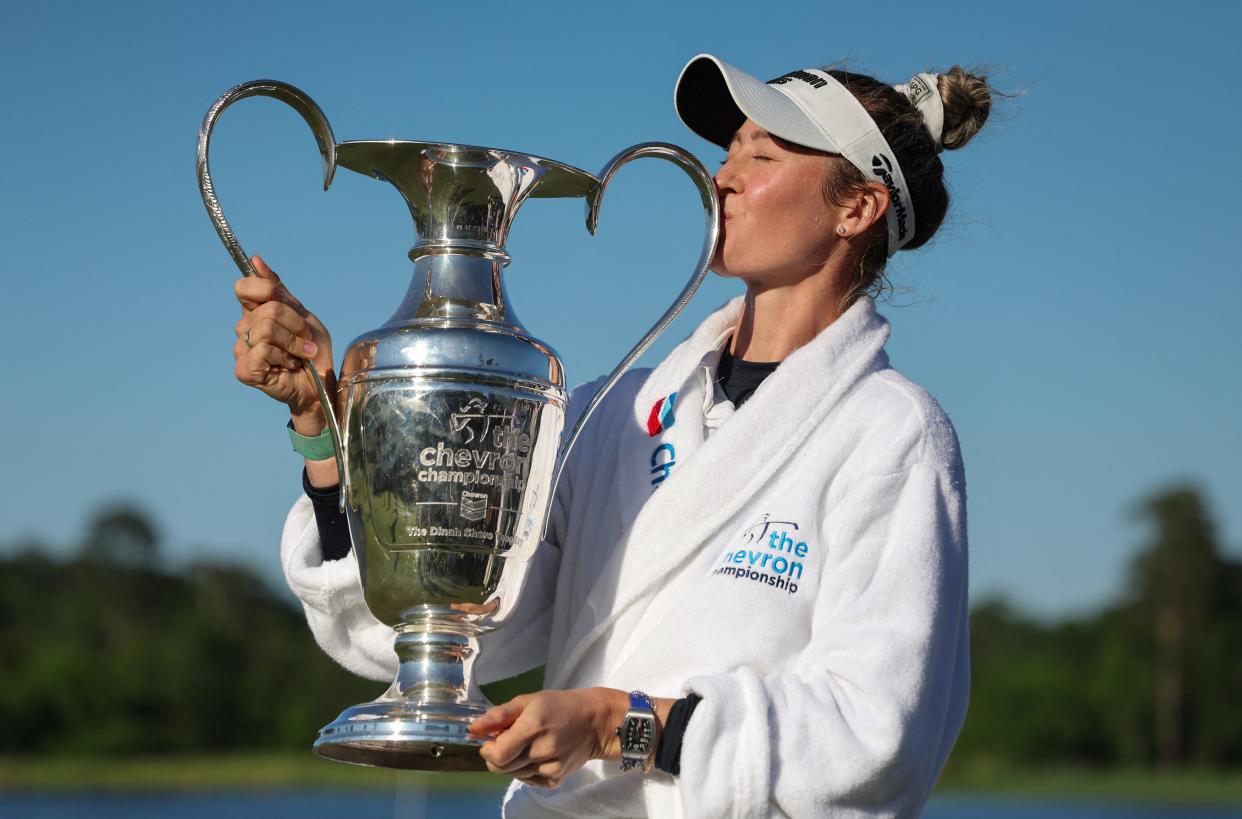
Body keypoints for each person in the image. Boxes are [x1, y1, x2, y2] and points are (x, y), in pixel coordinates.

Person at [233, 53, 993, 817]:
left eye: (760, 155)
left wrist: (616, 723)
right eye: (726, 152)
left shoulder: (890, 432)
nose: (721, 178)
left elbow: (874, 738)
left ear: (855, 208)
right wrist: (324, 430)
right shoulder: (618, 415)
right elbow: (426, 630)